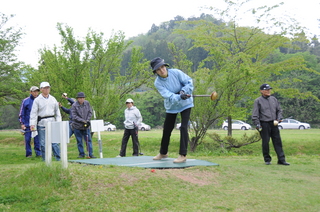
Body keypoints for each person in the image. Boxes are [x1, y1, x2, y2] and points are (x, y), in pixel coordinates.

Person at [150, 57, 194, 163]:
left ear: (165, 66)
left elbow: (189, 82)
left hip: (186, 104)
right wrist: (179, 96)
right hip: (172, 106)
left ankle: (183, 155)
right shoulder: (158, 83)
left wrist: (183, 91)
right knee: (167, 129)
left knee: (183, 127)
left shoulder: (176, 72)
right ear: (156, 72)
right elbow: (168, 96)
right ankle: (163, 153)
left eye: (162, 67)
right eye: (159, 69)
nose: (162, 70)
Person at [252, 83, 290, 165]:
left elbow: (279, 110)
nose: (268, 91)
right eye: (266, 90)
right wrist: (257, 124)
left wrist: (279, 118)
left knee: (278, 142)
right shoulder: (258, 101)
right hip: (264, 124)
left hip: (274, 123)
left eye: (269, 89)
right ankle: (267, 159)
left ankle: (281, 160)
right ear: (261, 91)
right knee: (265, 142)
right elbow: (255, 114)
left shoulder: (274, 99)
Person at [30, 82, 61, 161]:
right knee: (43, 143)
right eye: (45, 88)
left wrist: (59, 122)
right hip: (42, 123)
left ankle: (58, 158)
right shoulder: (37, 100)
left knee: (55, 142)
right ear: (41, 89)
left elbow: (57, 112)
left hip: (52, 122)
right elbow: (33, 113)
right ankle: (46, 159)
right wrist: (32, 124)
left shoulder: (53, 99)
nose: (47, 90)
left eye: (48, 88)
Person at [71, 92, 96, 158]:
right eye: (80, 98)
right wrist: (82, 121)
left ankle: (90, 154)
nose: (81, 99)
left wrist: (87, 120)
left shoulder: (87, 103)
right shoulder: (74, 105)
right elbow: (74, 116)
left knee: (88, 140)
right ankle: (81, 154)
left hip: (86, 126)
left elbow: (90, 112)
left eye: (82, 98)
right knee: (79, 141)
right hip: (77, 126)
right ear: (77, 99)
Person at [18, 86, 41, 158]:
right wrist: (22, 123)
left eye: (37, 91)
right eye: (34, 91)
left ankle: (38, 153)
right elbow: (22, 113)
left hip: (37, 123)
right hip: (27, 124)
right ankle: (29, 153)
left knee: (37, 139)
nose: (35, 93)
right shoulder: (26, 101)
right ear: (31, 92)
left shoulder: (40, 100)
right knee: (28, 139)